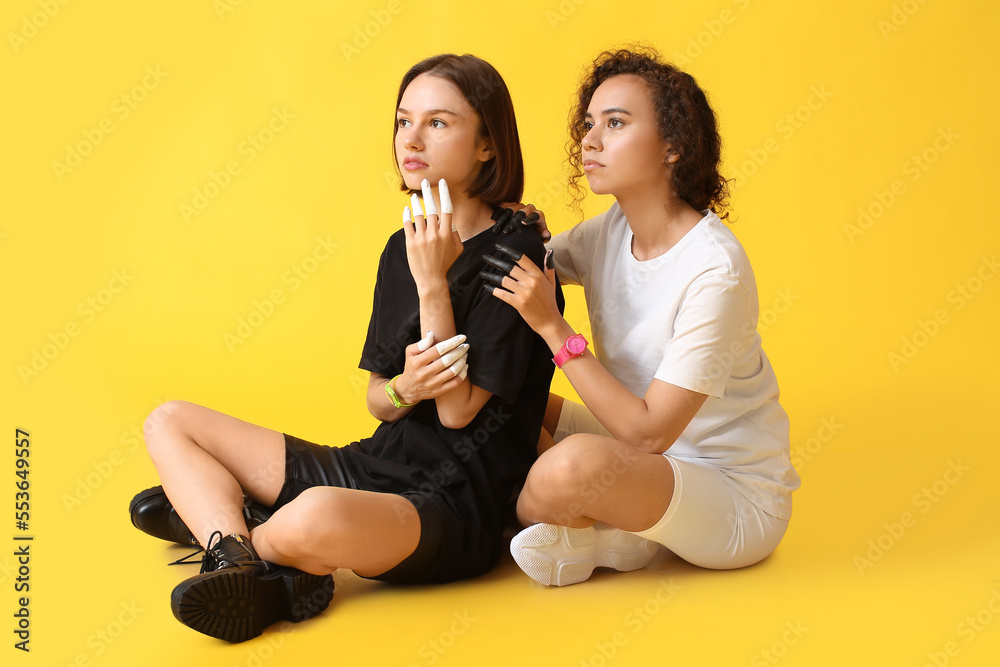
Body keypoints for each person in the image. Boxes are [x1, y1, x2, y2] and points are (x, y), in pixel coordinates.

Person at [130, 53, 561, 641]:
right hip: (374, 464)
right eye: (403, 121)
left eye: (438, 123)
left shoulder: (517, 251)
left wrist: (434, 283)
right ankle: (238, 558)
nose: (411, 139)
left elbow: (460, 414)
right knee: (169, 422)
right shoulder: (400, 245)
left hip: (455, 506)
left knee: (314, 515)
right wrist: (404, 387)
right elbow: (378, 401)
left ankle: (225, 520)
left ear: (488, 144)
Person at [480, 47, 801, 586]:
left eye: (616, 123)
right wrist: (512, 229)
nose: (590, 139)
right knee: (506, 403)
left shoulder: (713, 271)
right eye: (590, 123)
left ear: (673, 146)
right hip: (637, 451)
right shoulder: (611, 231)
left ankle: (605, 524)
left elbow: (650, 434)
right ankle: (615, 533)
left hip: (731, 496)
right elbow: (529, 270)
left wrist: (555, 329)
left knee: (567, 468)